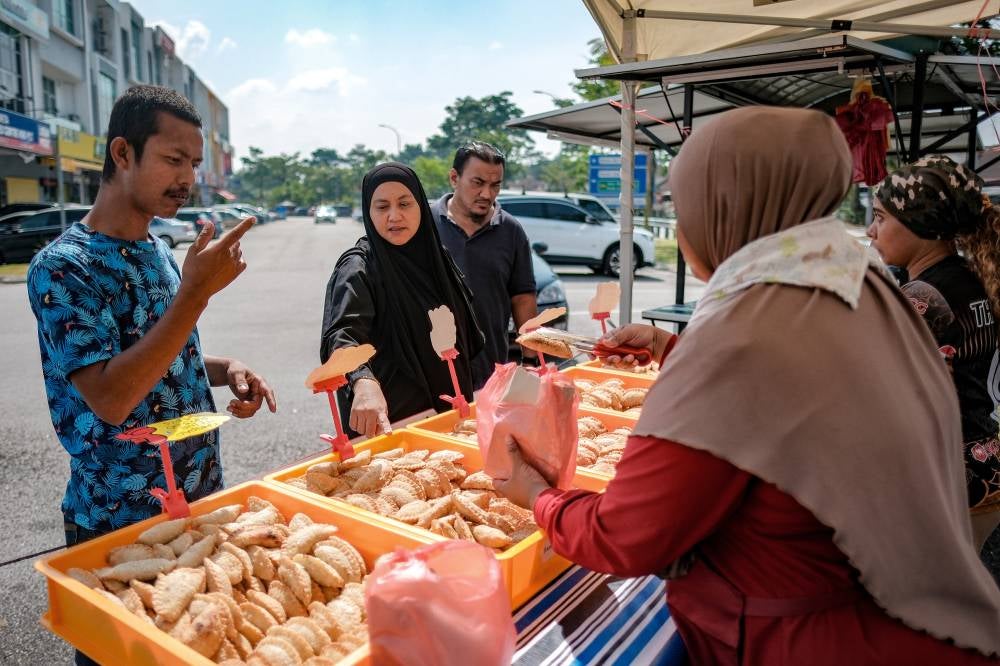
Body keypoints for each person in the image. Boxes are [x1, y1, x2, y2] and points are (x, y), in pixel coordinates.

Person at [494, 107, 1000, 664]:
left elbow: (627, 536)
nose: (684, 229)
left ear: (725, 212)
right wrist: (669, 348)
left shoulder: (744, 333)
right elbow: (795, 391)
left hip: (816, 642)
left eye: (686, 209)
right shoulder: (853, 282)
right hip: (919, 621)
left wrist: (538, 496)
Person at [27, 85, 276, 663]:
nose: (187, 176)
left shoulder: (160, 251)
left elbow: (167, 354)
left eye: (193, 162)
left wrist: (225, 366)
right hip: (118, 521)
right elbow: (112, 396)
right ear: (122, 153)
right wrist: (193, 296)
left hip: (195, 503)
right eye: (173, 159)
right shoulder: (64, 268)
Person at [868, 155, 1000, 551]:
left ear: (921, 224)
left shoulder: (923, 297)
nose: (870, 230)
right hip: (985, 462)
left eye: (880, 217)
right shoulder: (976, 279)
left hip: (947, 481)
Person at [320, 162, 483, 437]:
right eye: (382, 207)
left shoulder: (436, 258)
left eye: (405, 204)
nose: (394, 216)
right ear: (368, 212)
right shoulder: (359, 267)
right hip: (393, 430)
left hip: (453, 421)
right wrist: (362, 380)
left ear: (420, 205)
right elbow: (342, 335)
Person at [430, 142, 536, 388]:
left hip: (490, 372)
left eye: (495, 185)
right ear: (454, 178)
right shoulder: (424, 226)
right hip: (431, 372)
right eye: (477, 183)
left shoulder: (512, 232)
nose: (487, 194)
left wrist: (530, 362)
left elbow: (523, 298)